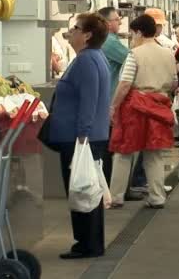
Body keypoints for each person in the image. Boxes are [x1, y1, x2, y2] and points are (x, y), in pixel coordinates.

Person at [48, 13, 111, 259]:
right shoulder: (91, 58)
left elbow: (89, 100)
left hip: (81, 138)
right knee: (86, 188)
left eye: (75, 28)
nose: (70, 31)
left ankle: (88, 244)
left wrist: (82, 135)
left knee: (83, 189)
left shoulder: (86, 61)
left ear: (87, 35)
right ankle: (88, 242)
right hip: (84, 136)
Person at [108, 14, 177, 210]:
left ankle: (116, 196)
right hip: (159, 105)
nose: (132, 38)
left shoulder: (135, 54)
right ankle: (157, 197)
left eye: (132, 33)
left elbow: (125, 84)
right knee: (154, 154)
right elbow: (174, 82)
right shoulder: (168, 54)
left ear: (138, 32)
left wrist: (113, 106)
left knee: (124, 152)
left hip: (136, 107)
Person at [97, 7, 129, 190]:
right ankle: (110, 187)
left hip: (106, 100)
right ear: (107, 23)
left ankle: (108, 186)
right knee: (112, 147)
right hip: (110, 101)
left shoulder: (108, 40)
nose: (120, 22)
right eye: (117, 19)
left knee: (109, 147)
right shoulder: (109, 42)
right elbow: (132, 60)